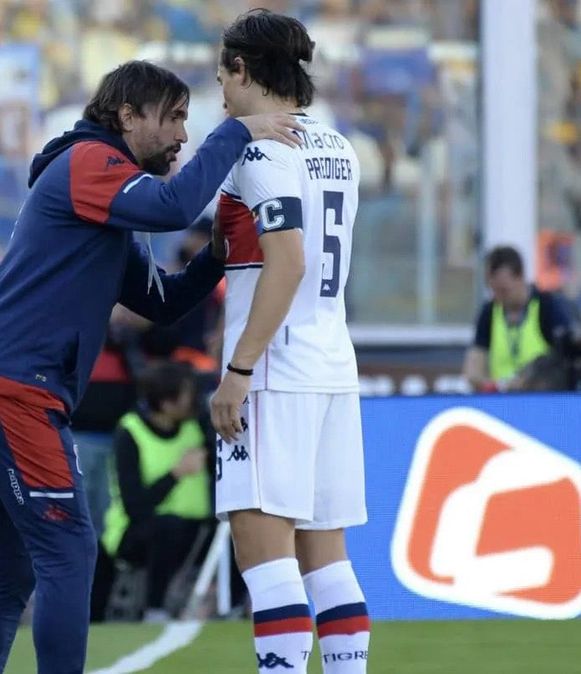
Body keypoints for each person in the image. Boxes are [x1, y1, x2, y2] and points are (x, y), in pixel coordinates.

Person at [0, 59, 302, 673]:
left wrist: (215, 257)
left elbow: (160, 302)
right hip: (12, 387)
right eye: (175, 118)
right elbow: (173, 207)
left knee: (13, 570)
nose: (185, 135)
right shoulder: (88, 165)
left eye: (191, 119)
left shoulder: (105, 193)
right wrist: (238, 130)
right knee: (69, 551)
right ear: (128, 116)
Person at [207, 11, 369, 673]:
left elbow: (289, 259)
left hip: (274, 371)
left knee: (268, 562)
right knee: (327, 564)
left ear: (244, 71)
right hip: (332, 364)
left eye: (223, 72)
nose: (219, 88)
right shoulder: (338, 146)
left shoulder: (257, 151)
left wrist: (239, 370)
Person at [95, 361, 212, 622]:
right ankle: (155, 609)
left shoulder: (198, 425)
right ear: (167, 402)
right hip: (139, 531)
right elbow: (135, 506)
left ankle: (235, 605)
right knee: (168, 527)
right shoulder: (130, 432)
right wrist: (175, 474)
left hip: (198, 528)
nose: (195, 401)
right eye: (187, 395)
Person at [462, 246, 573, 392]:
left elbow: (565, 359)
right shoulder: (489, 312)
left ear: (521, 277)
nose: (498, 297)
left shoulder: (548, 306)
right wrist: (494, 385)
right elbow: (474, 366)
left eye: (504, 290)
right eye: (493, 290)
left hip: (540, 398)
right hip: (501, 399)